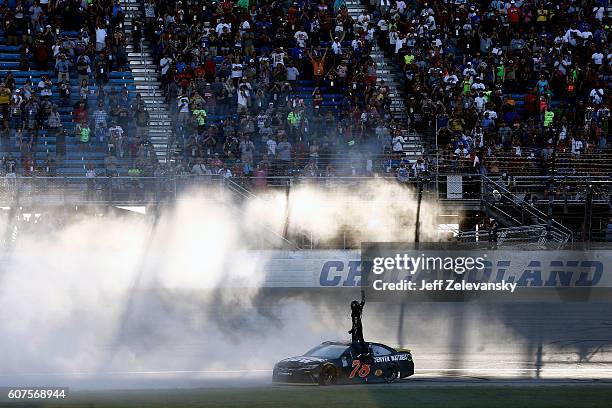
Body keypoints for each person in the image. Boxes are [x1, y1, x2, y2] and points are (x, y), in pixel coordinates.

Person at [348, 290, 367, 357]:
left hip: (356, 327)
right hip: (360, 326)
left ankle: (359, 353)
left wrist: (352, 330)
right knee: (361, 339)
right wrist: (363, 294)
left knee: (354, 341)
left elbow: (355, 323)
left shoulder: (354, 313)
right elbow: (363, 301)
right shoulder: (360, 308)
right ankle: (366, 352)